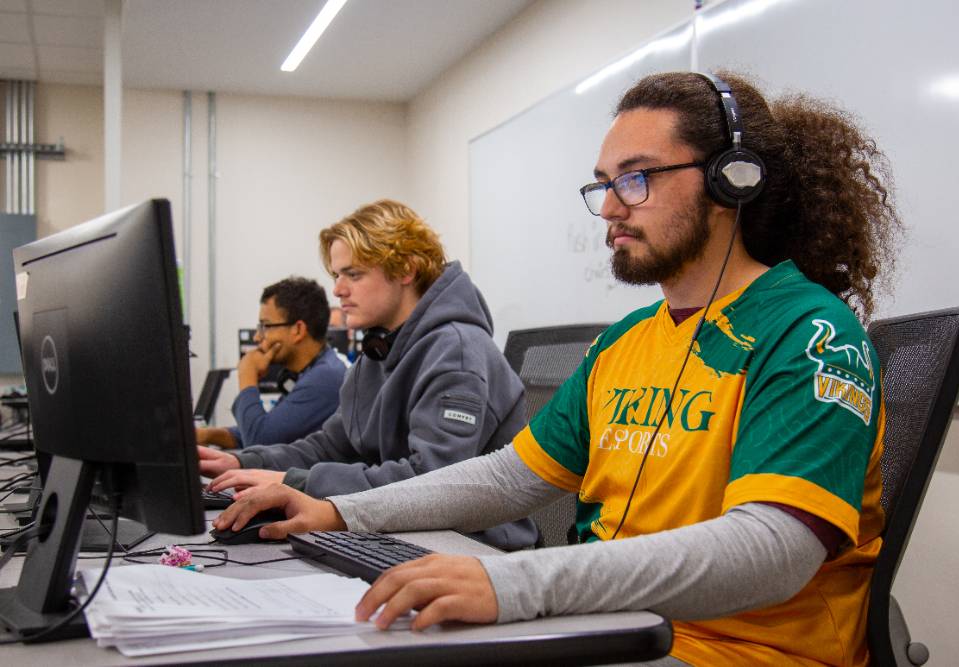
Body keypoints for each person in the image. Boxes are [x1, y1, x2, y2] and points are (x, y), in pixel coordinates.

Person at [214, 72, 902, 664]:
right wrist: (337, 511)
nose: (608, 208)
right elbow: (511, 475)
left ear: (733, 179)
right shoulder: (626, 342)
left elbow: (772, 549)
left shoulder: (810, 334)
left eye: (635, 179)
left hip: (739, 652)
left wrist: (517, 585)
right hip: (610, 628)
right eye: (603, 184)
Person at [201, 200, 536, 550]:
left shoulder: (457, 352)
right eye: (336, 275)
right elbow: (333, 444)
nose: (338, 290)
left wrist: (296, 482)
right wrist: (244, 461)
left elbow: (432, 480)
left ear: (406, 269)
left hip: (477, 548)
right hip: (405, 531)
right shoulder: (380, 349)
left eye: (354, 274)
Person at [197, 277, 346, 449]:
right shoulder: (311, 371)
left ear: (298, 330)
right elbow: (263, 430)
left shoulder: (325, 377)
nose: (257, 337)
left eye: (265, 326)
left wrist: (247, 375)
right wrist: (207, 435)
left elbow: (259, 442)